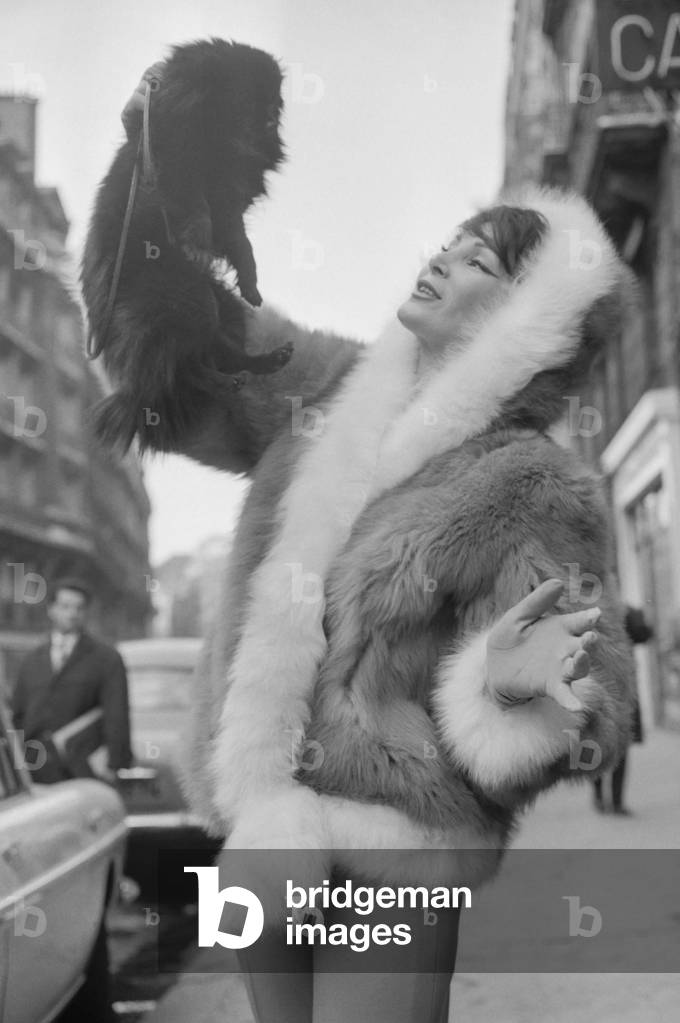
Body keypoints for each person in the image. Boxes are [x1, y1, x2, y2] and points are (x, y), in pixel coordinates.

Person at [109, 67, 635, 1023]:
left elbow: (589, 699)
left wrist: (504, 689)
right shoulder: (327, 387)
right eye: (450, 243)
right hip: (261, 825)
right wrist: (156, 175)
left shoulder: (531, 482)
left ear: (531, 316)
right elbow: (180, 358)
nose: (443, 258)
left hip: (394, 845)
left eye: (479, 260)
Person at [11, 576, 133, 784]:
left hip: (83, 770)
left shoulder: (107, 658)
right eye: (65, 606)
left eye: (79, 608)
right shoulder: (30, 660)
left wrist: (115, 764)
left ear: (86, 612)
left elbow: (117, 715)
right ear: (51, 609)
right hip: (35, 773)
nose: (72, 614)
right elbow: (18, 716)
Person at [592, 605, 651, 815]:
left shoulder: (624, 612)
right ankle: (603, 798)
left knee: (617, 745)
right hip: (602, 687)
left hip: (619, 687)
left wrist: (638, 615)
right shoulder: (593, 612)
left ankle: (612, 801)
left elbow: (644, 634)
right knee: (600, 743)